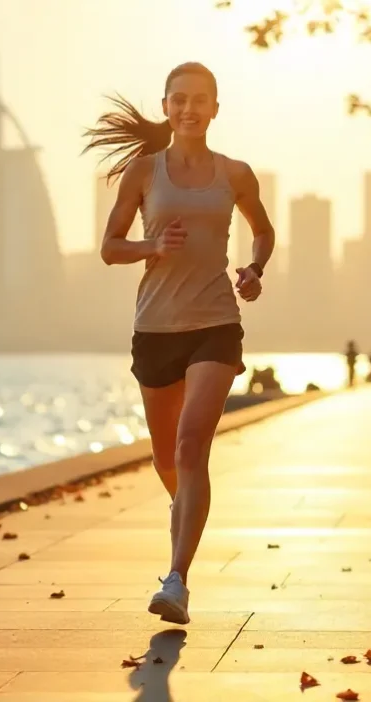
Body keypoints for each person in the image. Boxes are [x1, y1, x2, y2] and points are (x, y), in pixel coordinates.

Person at [83, 62, 276, 625]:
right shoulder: (144, 172)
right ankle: (187, 507)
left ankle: (177, 580)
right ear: (166, 107)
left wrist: (255, 269)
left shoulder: (236, 174)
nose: (190, 108)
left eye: (201, 100)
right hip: (155, 329)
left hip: (215, 322)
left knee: (193, 446)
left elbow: (262, 229)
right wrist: (150, 246)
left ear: (216, 108)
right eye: (179, 99)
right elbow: (110, 247)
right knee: (167, 458)